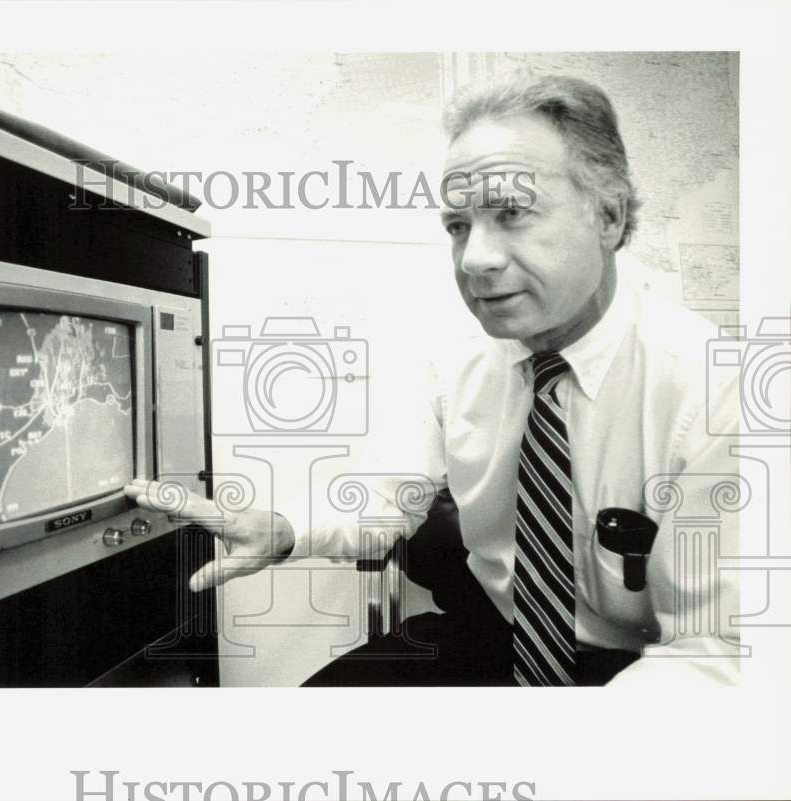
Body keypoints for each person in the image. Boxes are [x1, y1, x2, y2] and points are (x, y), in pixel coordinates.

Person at [125, 75, 741, 687]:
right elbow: (387, 494)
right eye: (458, 226)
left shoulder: (716, 389)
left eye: (512, 213)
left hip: (644, 669)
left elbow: (720, 650)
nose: (475, 258)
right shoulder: (459, 358)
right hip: (493, 636)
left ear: (609, 216)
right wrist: (284, 530)